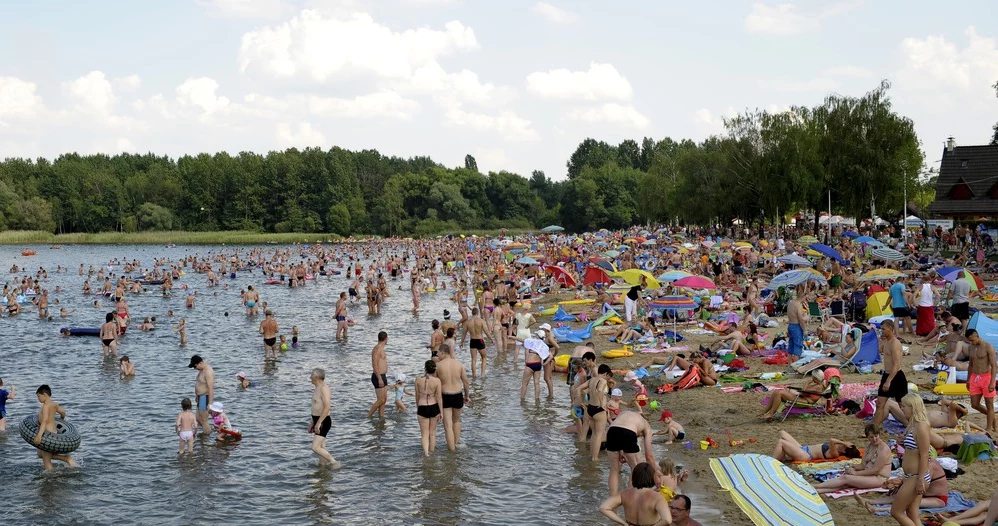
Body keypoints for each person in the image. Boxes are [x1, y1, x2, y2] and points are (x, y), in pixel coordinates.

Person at [813, 424, 892, 494]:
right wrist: (851, 467)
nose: (874, 439)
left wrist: (856, 474)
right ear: (867, 437)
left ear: (879, 435)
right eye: (871, 437)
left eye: (876, 436)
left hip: (879, 478)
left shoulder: (883, 449)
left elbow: (876, 470)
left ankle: (816, 486)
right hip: (869, 474)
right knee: (848, 482)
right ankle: (820, 490)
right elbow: (863, 465)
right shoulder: (869, 446)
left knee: (846, 479)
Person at [892, 393, 931, 526]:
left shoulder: (921, 426)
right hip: (911, 476)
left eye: (904, 406)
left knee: (896, 511)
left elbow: (925, 454)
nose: (902, 409)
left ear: (913, 407)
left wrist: (920, 480)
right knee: (912, 513)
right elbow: (914, 449)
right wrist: (903, 443)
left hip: (917, 476)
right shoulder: (912, 425)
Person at [598, 462, 672, 526]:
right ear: (651, 477)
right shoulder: (657, 497)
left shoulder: (624, 493)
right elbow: (667, 520)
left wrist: (624, 523)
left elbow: (603, 507)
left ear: (634, 476)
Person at [604, 409, 658, 496]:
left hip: (611, 431)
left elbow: (620, 430)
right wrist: (655, 475)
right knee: (635, 469)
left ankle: (612, 501)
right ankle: (630, 499)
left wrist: (622, 451)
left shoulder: (625, 413)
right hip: (628, 432)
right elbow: (649, 456)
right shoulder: (647, 426)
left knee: (614, 470)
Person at [436, 342, 470, 452]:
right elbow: (466, 382)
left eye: (438, 353)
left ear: (442, 352)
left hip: (446, 396)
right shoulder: (459, 364)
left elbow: (435, 383)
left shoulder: (438, 366)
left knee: (448, 425)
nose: (437, 355)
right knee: (456, 421)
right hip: (458, 395)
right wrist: (467, 396)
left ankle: (452, 451)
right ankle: (456, 444)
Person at [33, 385, 76, 470]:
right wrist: (62, 419)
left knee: (46, 461)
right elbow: (63, 412)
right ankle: (65, 458)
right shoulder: (54, 404)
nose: (38, 399)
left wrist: (39, 435)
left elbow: (44, 420)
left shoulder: (45, 406)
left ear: (44, 395)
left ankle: (50, 479)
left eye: (39, 396)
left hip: (46, 434)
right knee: (39, 454)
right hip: (53, 432)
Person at [576, 364, 614, 461]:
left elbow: (579, 389)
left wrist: (581, 402)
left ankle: (591, 455)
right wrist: (602, 404)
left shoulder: (591, 380)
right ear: (605, 373)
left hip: (590, 408)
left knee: (594, 434)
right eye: (607, 375)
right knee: (598, 435)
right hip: (599, 410)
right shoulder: (603, 380)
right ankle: (594, 458)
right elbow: (600, 390)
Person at [873, 319, 907, 426]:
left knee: (903, 405)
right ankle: (874, 428)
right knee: (880, 404)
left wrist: (888, 381)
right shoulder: (887, 341)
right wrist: (880, 341)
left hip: (896, 377)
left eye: (884, 329)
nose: (882, 331)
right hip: (887, 374)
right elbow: (880, 351)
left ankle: (912, 425)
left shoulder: (895, 343)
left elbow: (896, 364)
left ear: (890, 329)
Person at [758, 369, 826, 420]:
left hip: (805, 401)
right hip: (802, 398)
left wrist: (807, 382)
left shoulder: (818, 387)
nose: (812, 378)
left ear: (816, 377)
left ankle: (770, 414)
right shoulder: (817, 385)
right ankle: (764, 412)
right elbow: (804, 391)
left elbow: (803, 391)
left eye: (813, 377)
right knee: (776, 391)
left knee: (780, 393)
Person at [965, 328, 997, 433]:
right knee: (974, 404)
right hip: (975, 377)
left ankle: (988, 428)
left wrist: (992, 382)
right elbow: (970, 365)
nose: (971, 342)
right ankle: (992, 417)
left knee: (989, 404)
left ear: (976, 336)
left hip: (986, 377)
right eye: (969, 341)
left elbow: (994, 365)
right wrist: (968, 379)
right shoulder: (971, 347)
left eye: (972, 340)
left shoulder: (988, 346)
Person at [308, 368, 340, 468]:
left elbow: (327, 407)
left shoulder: (324, 388)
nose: (310, 377)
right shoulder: (317, 387)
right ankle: (323, 471)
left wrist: (319, 423)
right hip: (317, 420)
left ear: (316, 377)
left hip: (324, 421)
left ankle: (334, 462)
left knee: (315, 447)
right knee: (321, 447)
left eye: (311, 376)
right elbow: (316, 407)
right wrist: (312, 422)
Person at [771, 429, 862, 462]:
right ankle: (782, 458)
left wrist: (844, 443)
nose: (843, 445)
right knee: (782, 433)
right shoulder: (838, 447)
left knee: (781, 442)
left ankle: (771, 462)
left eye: (844, 447)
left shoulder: (835, 453)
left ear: (844, 452)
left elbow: (832, 440)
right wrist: (847, 444)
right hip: (803, 448)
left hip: (806, 455)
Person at [415, 360, 443, 457]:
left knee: (424, 434)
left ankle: (426, 454)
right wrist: (441, 412)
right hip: (433, 407)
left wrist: (417, 408)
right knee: (432, 433)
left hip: (422, 406)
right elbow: (439, 397)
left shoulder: (418, 379)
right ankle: (432, 452)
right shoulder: (437, 381)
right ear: (434, 369)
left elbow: (417, 396)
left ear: (425, 369)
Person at [188, 355, 214, 436]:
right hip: (200, 398)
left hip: (204, 398)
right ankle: (207, 433)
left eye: (195, 367)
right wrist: (197, 396)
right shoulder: (201, 371)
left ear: (200, 363)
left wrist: (210, 404)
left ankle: (207, 437)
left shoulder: (208, 372)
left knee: (203, 419)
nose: (195, 369)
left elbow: (211, 388)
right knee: (198, 418)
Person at [368, 331, 389, 418]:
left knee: (384, 400)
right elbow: (374, 364)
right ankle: (368, 416)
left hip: (383, 376)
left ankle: (381, 417)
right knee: (381, 400)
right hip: (378, 376)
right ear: (386, 339)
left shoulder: (381, 348)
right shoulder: (377, 349)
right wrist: (379, 378)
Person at [465, 307, 491, 379]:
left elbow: (463, 333)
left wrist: (461, 342)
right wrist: (491, 339)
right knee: (484, 357)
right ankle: (482, 375)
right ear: (478, 313)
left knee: (473, 359)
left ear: (472, 313)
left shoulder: (468, 322)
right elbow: (486, 332)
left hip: (472, 340)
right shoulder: (481, 321)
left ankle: (474, 375)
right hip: (480, 340)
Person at [786, 287, 806, 356]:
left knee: (791, 345)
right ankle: (796, 365)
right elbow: (800, 319)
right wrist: (804, 329)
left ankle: (790, 363)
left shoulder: (791, 303)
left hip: (790, 325)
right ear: (803, 297)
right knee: (798, 345)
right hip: (796, 326)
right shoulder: (798, 305)